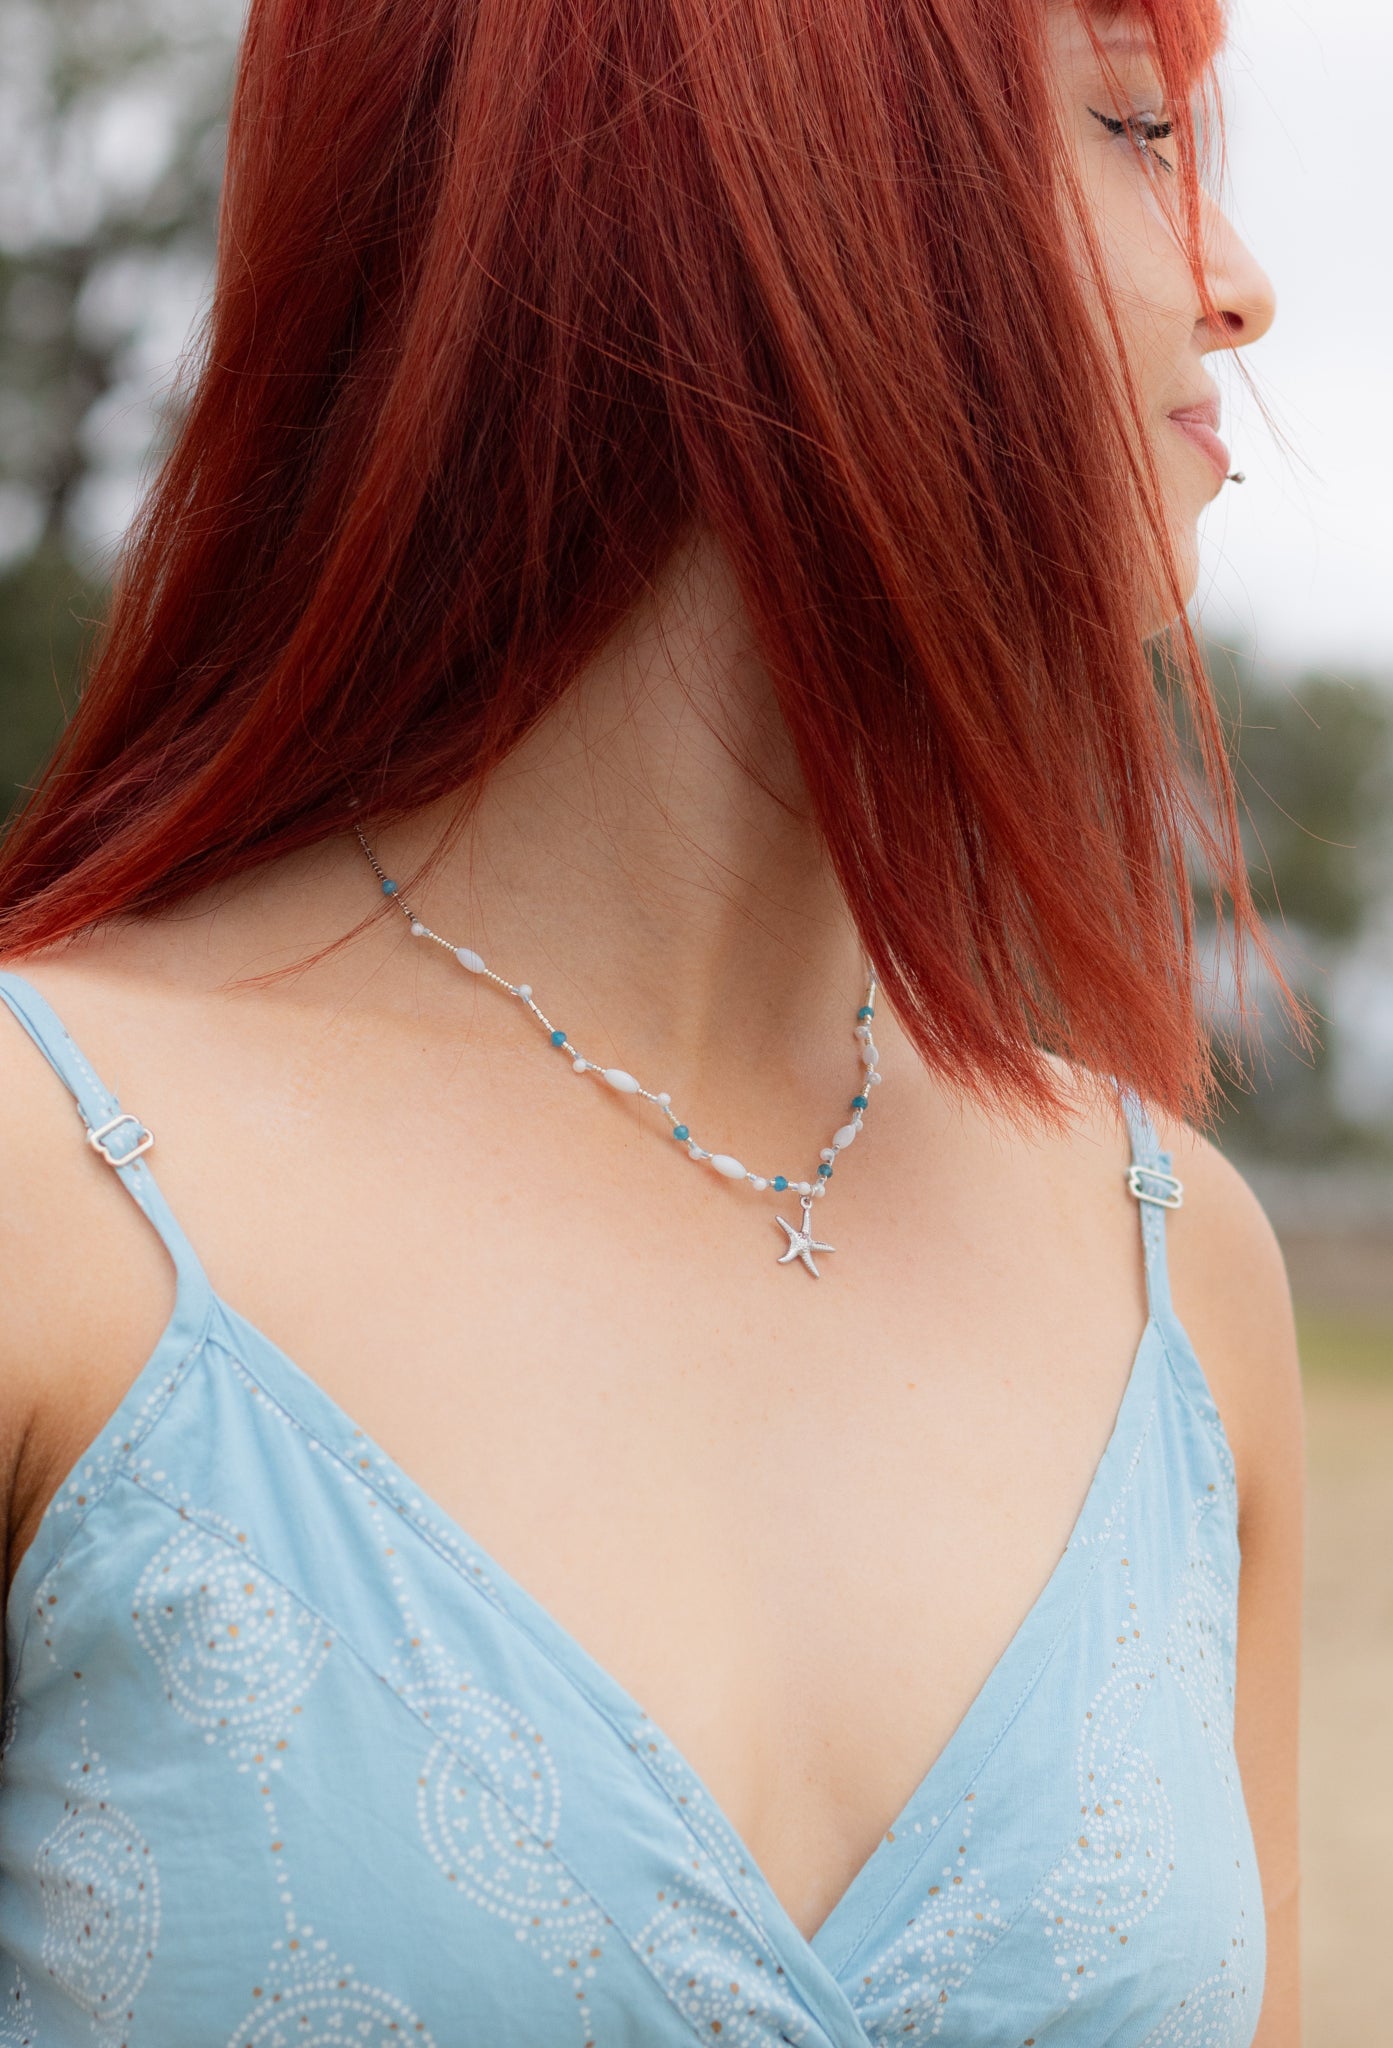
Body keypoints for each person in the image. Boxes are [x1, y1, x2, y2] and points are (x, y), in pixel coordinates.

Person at [0, 0, 1303, 2038]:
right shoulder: (47, 1192)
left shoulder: (1171, 1264)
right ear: (718, 189)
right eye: (1138, 129)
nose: (1238, 282)